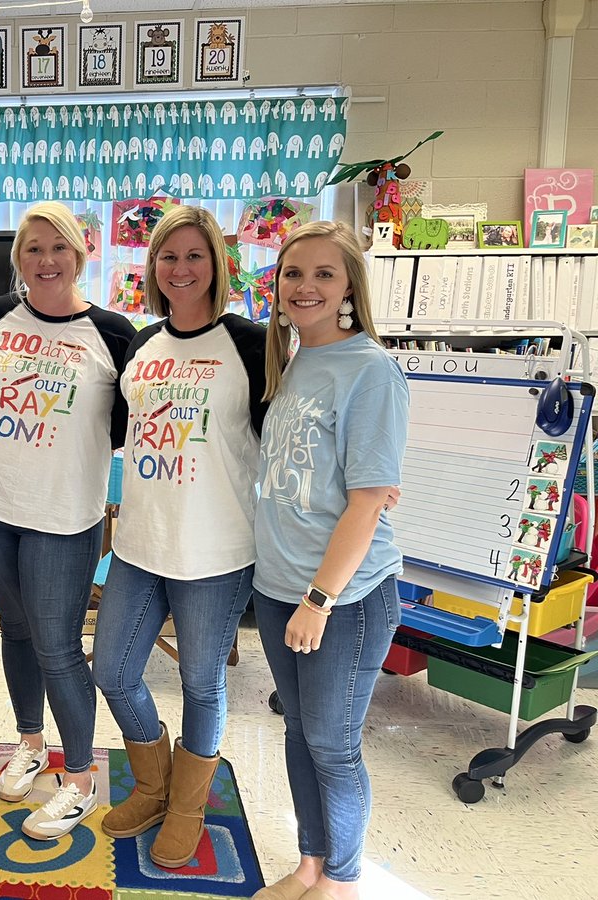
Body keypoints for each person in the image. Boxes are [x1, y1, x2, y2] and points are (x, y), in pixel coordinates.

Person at [91, 205, 265, 867]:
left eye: (195, 255)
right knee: (112, 671)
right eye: (168, 256)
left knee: (201, 683)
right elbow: (115, 430)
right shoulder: (141, 345)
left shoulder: (250, 343)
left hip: (216, 551)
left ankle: (188, 807)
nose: (181, 268)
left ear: (217, 264)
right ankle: (154, 786)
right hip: (141, 544)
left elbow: (282, 439)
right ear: (152, 265)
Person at [0, 201, 135, 840]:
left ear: (79, 254)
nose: (46, 260)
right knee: (15, 630)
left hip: (64, 517)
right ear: (18, 258)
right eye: (33, 248)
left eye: (58, 247)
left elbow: (123, 426)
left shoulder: (112, 333)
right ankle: (30, 743)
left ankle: (81, 781)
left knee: (58, 647)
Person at [251, 220, 409, 900]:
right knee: (299, 732)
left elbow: (368, 502)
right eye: (293, 273)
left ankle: (342, 881)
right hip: (278, 587)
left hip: (343, 598)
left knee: (333, 743)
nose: (305, 286)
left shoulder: (369, 369)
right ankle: (310, 865)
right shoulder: (294, 360)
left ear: (349, 287)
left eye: (323, 274)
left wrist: (319, 600)